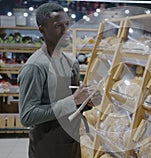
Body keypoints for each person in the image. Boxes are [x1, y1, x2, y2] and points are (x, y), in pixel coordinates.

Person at [18, 3, 101, 158]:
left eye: (67, 24)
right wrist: (73, 100)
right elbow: (27, 116)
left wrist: (89, 101)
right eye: (58, 26)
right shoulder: (35, 66)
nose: (66, 31)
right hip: (46, 146)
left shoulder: (71, 63)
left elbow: (76, 103)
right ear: (42, 29)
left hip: (71, 143)